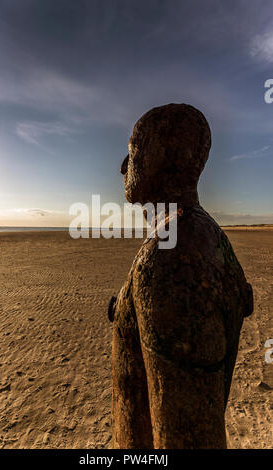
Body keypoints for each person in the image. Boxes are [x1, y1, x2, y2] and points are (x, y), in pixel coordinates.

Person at [109, 103, 253, 449]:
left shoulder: (170, 258)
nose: (123, 166)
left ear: (167, 156)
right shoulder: (193, 235)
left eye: (133, 150)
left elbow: (189, 437)